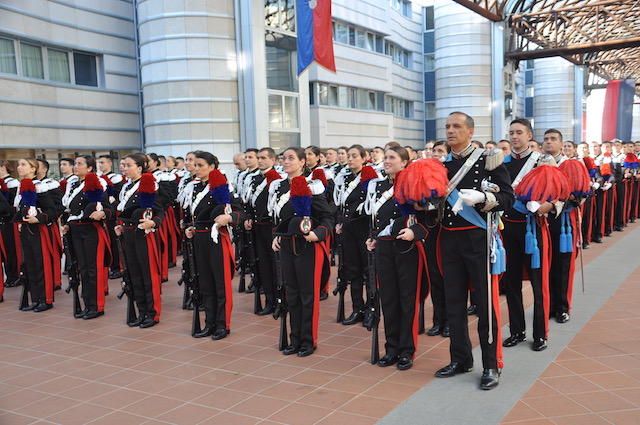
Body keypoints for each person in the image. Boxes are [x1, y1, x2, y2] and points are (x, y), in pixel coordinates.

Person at [434, 112, 513, 390]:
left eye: (456, 126)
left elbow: (508, 197)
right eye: (447, 126)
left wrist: (484, 197)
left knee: (485, 303)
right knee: (454, 302)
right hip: (449, 239)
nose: (450, 131)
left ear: (470, 131)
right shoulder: (440, 165)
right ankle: (460, 358)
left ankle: (491, 364)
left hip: (478, 239)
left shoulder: (488, 160)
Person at [365, 146, 432, 370]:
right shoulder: (378, 186)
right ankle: (391, 348)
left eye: (392, 158)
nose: (386, 161)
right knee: (389, 299)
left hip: (406, 247)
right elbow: (376, 218)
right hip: (384, 247)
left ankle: (406, 350)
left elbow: (430, 217)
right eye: (385, 157)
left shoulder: (414, 183)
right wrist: (373, 237)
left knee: (407, 299)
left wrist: (416, 232)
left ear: (404, 162)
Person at [270, 147, 334, 356]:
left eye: (291, 158)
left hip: (308, 246)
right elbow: (278, 218)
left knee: (308, 295)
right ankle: (294, 339)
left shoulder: (312, 186)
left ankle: (308, 340)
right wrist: (276, 236)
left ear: (302, 162)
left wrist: (318, 233)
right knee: (292, 294)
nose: (286, 162)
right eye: (283, 158)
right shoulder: (278, 187)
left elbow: (327, 218)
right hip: (287, 245)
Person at [501, 119, 551, 352]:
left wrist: (548, 205)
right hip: (507, 228)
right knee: (510, 282)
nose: (514, 136)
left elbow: (557, 192)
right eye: (511, 132)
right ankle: (517, 331)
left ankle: (540, 334)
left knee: (538, 282)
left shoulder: (542, 161)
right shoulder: (501, 163)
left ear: (529, 135)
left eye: (519, 132)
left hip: (533, 229)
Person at [184, 152, 242, 340]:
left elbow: (239, 211)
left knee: (220, 283)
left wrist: (229, 217)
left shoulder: (221, 185)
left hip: (217, 238)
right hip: (199, 238)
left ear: (212, 167)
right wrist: (191, 227)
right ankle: (209, 323)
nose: (196, 168)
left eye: (200, 165)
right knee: (206, 283)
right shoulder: (194, 187)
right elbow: (196, 215)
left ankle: (222, 324)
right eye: (195, 165)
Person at [115, 153, 165, 328]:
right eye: (124, 165)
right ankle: (141, 311)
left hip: (144, 234)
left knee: (148, 274)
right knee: (134, 274)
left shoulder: (149, 183)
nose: (125, 168)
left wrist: (154, 222)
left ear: (140, 167)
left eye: (129, 165)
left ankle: (152, 313)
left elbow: (160, 212)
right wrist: (121, 226)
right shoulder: (127, 186)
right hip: (129, 233)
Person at [61, 155, 114, 319]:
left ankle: (97, 306)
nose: (75, 166)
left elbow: (108, 207)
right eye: (75, 164)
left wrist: (102, 213)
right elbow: (72, 210)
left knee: (93, 268)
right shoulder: (73, 184)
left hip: (91, 229)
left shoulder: (96, 182)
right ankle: (87, 305)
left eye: (80, 164)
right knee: (83, 268)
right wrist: (67, 224)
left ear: (90, 168)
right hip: (75, 230)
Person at [334, 145, 380, 325]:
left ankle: (370, 308)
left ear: (363, 158)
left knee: (368, 270)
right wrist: (339, 221)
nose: (350, 159)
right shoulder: (344, 178)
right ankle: (357, 308)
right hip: (348, 228)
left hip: (363, 227)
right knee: (353, 270)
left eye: (354, 156)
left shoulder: (371, 178)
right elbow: (341, 204)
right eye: (349, 156)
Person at [14, 158, 58, 312]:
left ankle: (46, 299)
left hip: (39, 230)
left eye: (23, 165)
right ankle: (35, 298)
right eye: (19, 164)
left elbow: (52, 210)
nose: (19, 167)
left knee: (41, 264)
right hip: (26, 229)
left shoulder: (40, 187)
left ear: (33, 169)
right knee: (30, 265)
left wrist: (38, 218)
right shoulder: (21, 186)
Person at [0, 160, 20, 288]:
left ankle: (15, 275)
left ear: (3, 167)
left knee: (11, 248)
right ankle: (9, 275)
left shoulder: (13, 182)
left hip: (10, 220)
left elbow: (12, 203)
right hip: (2, 220)